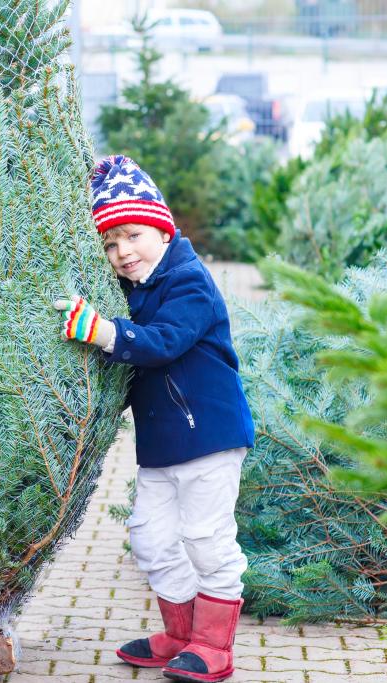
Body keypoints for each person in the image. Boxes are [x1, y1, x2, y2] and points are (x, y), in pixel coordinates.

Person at [55, 155, 255, 683]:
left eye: (133, 235)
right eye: (110, 244)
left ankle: (214, 646)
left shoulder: (189, 281)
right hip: (162, 444)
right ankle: (181, 634)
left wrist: (105, 333)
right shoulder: (134, 291)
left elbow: (165, 341)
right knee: (149, 536)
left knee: (206, 538)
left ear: (162, 229)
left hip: (209, 436)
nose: (123, 252)